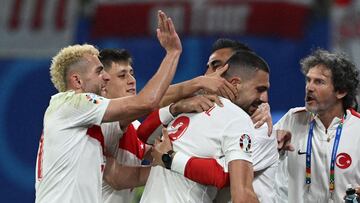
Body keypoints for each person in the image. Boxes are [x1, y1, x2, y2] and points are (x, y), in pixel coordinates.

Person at [34, 10, 181, 203]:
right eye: (98, 71)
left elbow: (141, 109)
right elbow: (146, 102)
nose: (105, 77)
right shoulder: (73, 103)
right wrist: (172, 53)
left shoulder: (89, 123)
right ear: (77, 80)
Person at [151, 39, 279, 203]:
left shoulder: (258, 127)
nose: (209, 75)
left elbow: (225, 177)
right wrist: (179, 104)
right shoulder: (199, 108)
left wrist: (170, 158)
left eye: (218, 66)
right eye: (209, 67)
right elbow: (148, 102)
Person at [274, 49, 360, 203]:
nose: (309, 87)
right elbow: (259, 157)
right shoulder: (292, 120)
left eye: (319, 82)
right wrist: (272, 144)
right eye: (308, 80)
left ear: (341, 91)